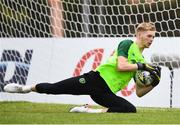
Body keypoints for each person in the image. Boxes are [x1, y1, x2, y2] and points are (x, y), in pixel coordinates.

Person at [4, 22, 161, 113]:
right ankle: (25, 88)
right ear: (140, 34)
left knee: (130, 109)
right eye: (149, 35)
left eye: (153, 36)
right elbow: (121, 66)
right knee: (53, 88)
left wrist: (154, 82)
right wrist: (143, 66)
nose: (152, 39)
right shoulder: (128, 44)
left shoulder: (141, 61)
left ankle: (87, 110)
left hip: (105, 93)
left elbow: (139, 92)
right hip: (94, 80)